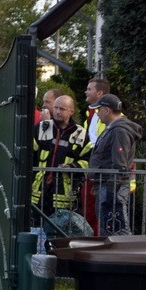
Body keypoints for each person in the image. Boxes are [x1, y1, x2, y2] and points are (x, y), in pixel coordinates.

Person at [87, 94, 142, 235]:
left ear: (107, 110)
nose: (98, 114)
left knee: (117, 228)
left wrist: (111, 190)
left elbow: (119, 163)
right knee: (109, 226)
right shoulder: (114, 128)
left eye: (99, 110)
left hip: (112, 187)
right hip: (107, 185)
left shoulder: (119, 130)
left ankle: (123, 255)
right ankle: (115, 253)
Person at [32, 94, 84, 223]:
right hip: (39, 193)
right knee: (36, 230)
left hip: (63, 196)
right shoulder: (42, 128)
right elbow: (29, 154)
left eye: (62, 109)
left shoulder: (80, 134)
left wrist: (73, 167)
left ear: (71, 111)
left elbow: (88, 160)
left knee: (58, 235)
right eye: (55, 108)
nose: (57, 111)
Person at [77, 78, 111, 233]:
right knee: (90, 213)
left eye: (89, 89)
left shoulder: (108, 116)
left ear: (99, 93)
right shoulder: (92, 115)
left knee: (100, 215)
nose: (86, 91)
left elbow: (100, 144)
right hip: (93, 172)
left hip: (102, 174)